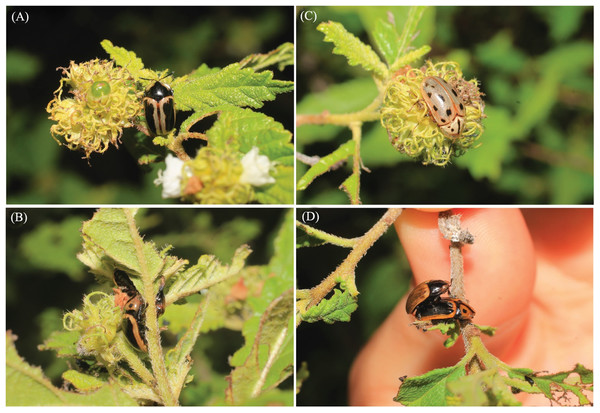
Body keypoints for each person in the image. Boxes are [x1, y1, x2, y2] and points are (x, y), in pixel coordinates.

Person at [348, 208, 592, 406]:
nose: (444, 291)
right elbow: (431, 302)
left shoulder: (441, 300)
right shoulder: (437, 300)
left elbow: (434, 301)